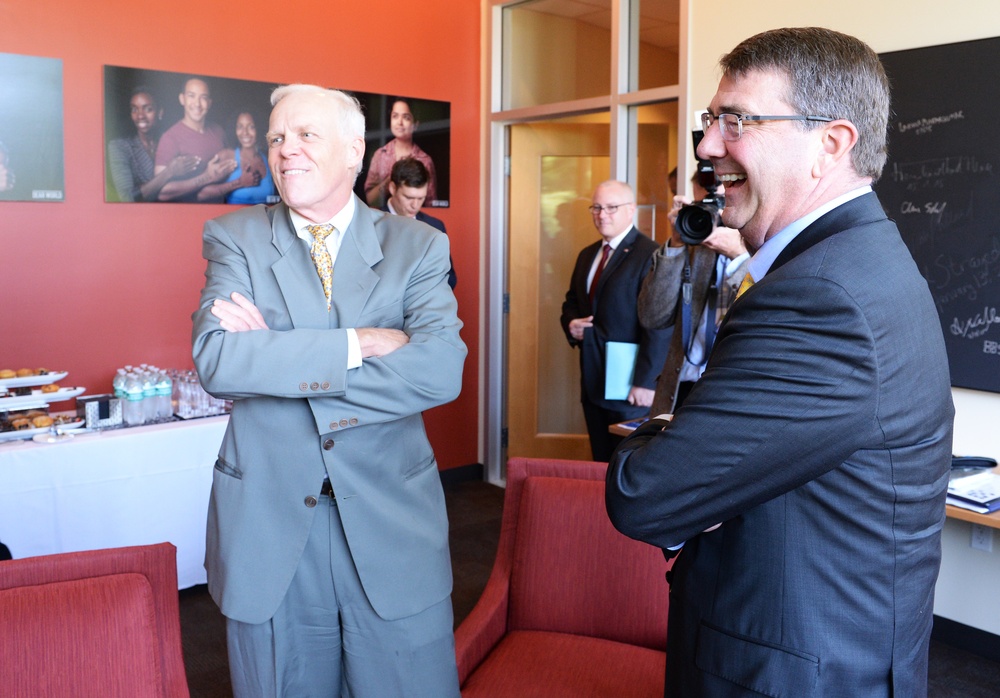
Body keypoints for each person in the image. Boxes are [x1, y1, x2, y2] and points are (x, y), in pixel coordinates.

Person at [605, 27, 954, 697]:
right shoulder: (861, 260)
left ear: (831, 144)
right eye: (711, 121)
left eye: (737, 121)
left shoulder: (821, 298)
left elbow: (642, 494)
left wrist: (672, 438)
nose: (707, 146)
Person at [191, 84, 466, 697]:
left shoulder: (418, 244)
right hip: (269, 527)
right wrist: (357, 343)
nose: (287, 150)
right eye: (277, 137)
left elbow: (441, 370)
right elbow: (217, 358)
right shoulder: (233, 236)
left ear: (353, 153)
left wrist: (273, 366)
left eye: (306, 135)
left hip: (392, 525)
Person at [560, 180, 671, 462]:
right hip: (593, 379)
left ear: (631, 210)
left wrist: (646, 382)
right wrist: (571, 325)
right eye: (596, 207)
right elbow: (571, 302)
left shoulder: (651, 254)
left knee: (626, 466)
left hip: (630, 386)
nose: (602, 214)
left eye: (612, 207)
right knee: (599, 461)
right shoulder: (587, 255)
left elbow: (659, 325)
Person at [637, 172, 749, 415]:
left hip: (727, 394)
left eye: (718, 205)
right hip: (680, 389)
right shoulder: (696, 249)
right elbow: (652, 316)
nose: (712, 215)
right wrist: (677, 243)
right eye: (702, 206)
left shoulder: (762, 249)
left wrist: (738, 258)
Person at [106, 86, 200, 202]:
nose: (140, 116)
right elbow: (127, 198)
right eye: (135, 110)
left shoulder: (173, 139)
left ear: (160, 112)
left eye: (148, 109)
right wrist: (170, 171)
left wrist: (143, 189)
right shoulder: (119, 147)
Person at [154, 77, 236, 202]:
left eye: (203, 97)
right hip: (186, 217)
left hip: (221, 214)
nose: (197, 104)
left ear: (209, 102)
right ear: (182, 99)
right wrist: (207, 177)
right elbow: (160, 192)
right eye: (191, 96)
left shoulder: (218, 131)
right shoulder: (170, 138)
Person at [382, 157, 456, 288]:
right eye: (409, 197)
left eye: (421, 198)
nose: (415, 205)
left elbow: (449, 278)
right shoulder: (370, 224)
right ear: (393, 188)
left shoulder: (435, 227)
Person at [363, 98, 437, 207]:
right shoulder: (380, 155)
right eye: (395, 116)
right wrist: (390, 180)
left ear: (415, 124)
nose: (400, 122)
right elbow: (370, 200)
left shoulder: (425, 160)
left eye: (406, 117)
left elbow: (430, 203)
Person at [196, 111, 275, 205]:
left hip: (264, 218)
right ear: (234, 129)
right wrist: (240, 182)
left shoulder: (268, 158)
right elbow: (201, 194)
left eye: (251, 127)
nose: (245, 132)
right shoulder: (227, 156)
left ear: (258, 129)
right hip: (235, 218)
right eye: (240, 127)